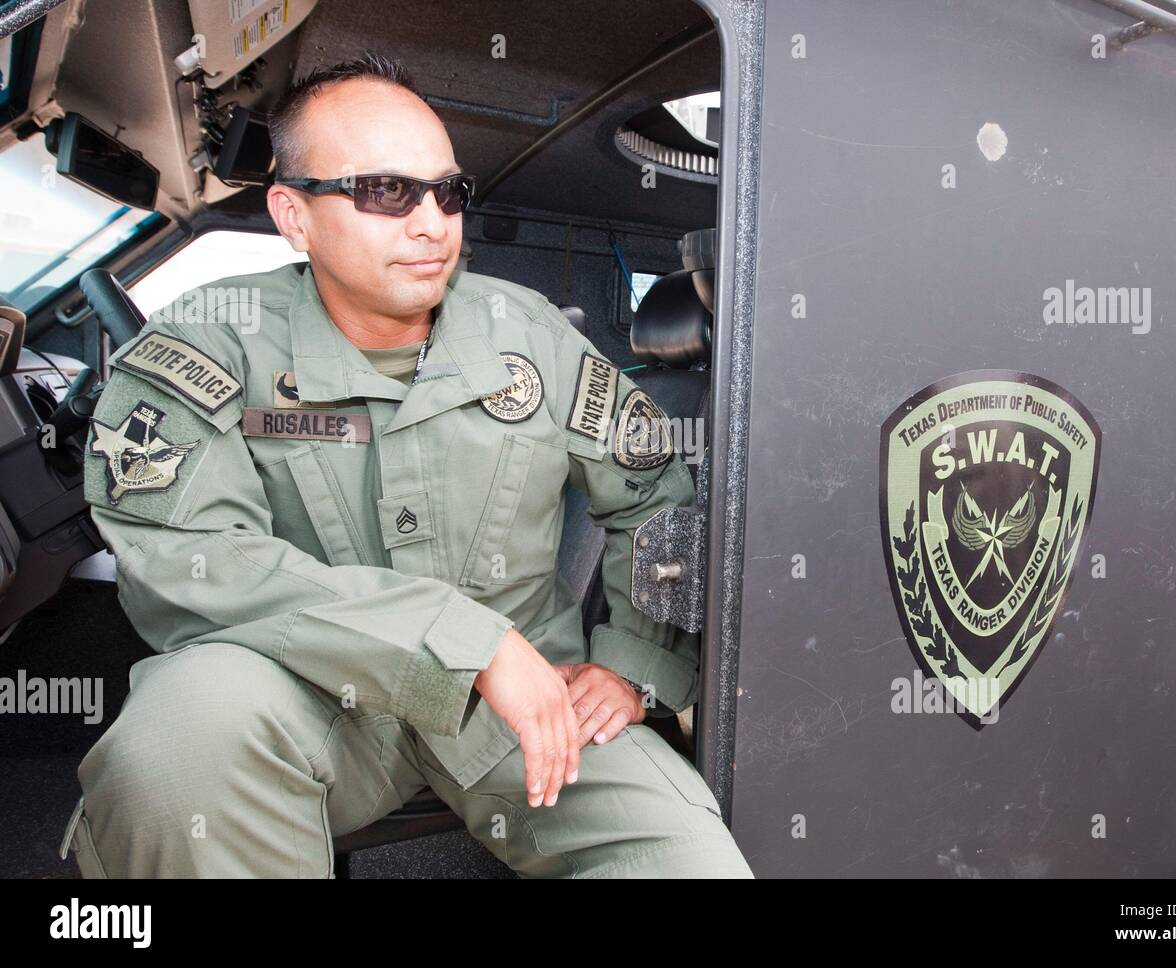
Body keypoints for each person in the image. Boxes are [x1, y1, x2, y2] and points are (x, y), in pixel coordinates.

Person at [58, 54, 752, 878]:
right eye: (386, 192)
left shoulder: (528, 336)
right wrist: (457, 643)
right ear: (294, 214)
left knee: (684, 862)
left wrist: (635, 666)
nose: (432, 223)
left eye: (446, 192)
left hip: (534, 697)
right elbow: (188, 558)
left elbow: (654, 500)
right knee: (176, 744)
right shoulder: (209, 341)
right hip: (306, 692)